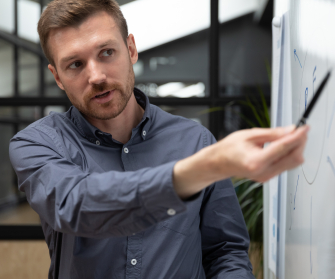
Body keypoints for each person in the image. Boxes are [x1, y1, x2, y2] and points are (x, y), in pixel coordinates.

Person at [9, 0, 308, 278]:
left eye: (106, 53)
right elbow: (75, 203)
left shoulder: (196, 141)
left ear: (131, 49)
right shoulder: (37, 144)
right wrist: (201, 169)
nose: (96, 76)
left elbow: (225, 251)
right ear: (57, 77)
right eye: (75, 64)